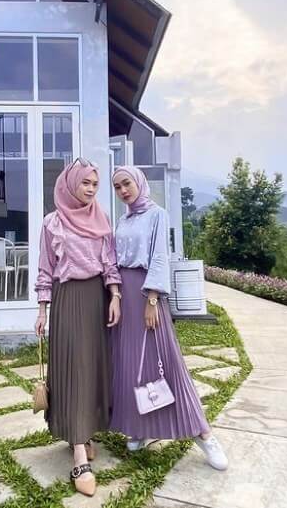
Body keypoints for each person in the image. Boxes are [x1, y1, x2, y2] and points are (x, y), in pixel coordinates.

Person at [110, 166, 228, 471]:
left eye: (126, 184)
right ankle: (139, 427)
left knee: (165, 360)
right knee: (130, 364)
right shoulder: (122, 220)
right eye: (117, 187)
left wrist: (152, 299)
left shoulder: (157, 215)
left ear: (139, 183)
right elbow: (114, 261)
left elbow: (160, 256)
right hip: (124, 296)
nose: (123, 191)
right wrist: (115, 295)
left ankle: (203, 434)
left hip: (146, 294)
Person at [34, 158, 122, 497]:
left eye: (95, 184)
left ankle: (84, 433)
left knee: (93, 368)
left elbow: (109, 262)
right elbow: (45, 268)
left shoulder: (101, 218)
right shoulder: (52, 223)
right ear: (71, 184)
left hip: (97, 297)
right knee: (73, 369)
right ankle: (79, 454)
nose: (90, 189)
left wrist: (115, 296)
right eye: (85, 182)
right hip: (67, 298)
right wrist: (42, 310)